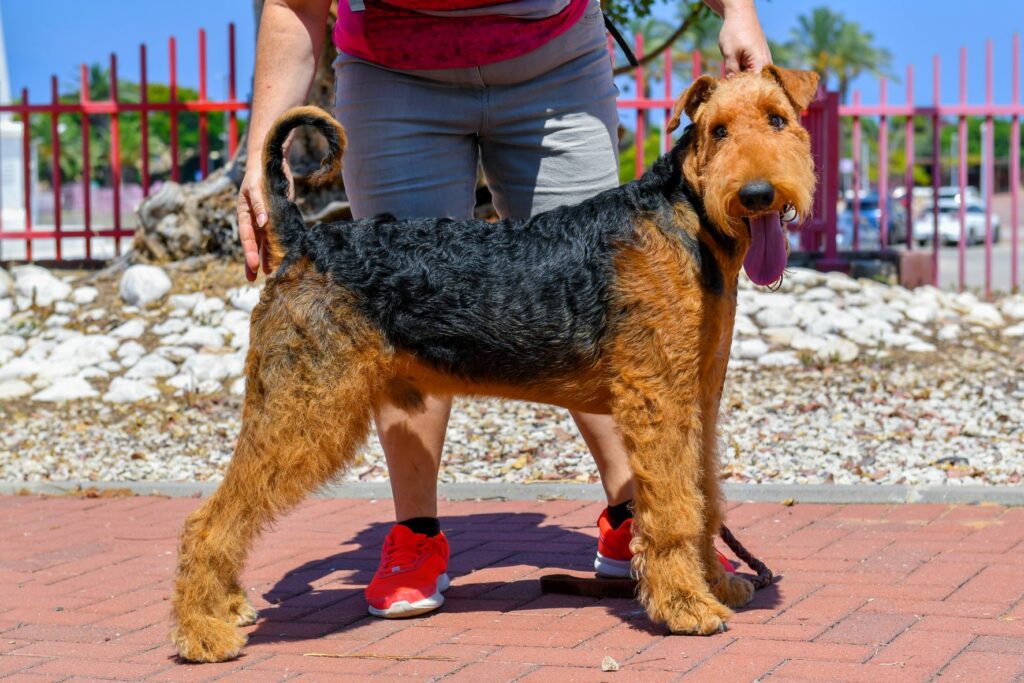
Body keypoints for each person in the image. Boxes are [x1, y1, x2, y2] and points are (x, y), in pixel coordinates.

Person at [237, 0, 771, 618]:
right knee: (306, 425)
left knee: (644, 371)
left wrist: (736, 10)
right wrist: (261, 153)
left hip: (555, 60)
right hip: (394, 71)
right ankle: (399, 539)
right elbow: (291, 6)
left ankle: (655, 537)